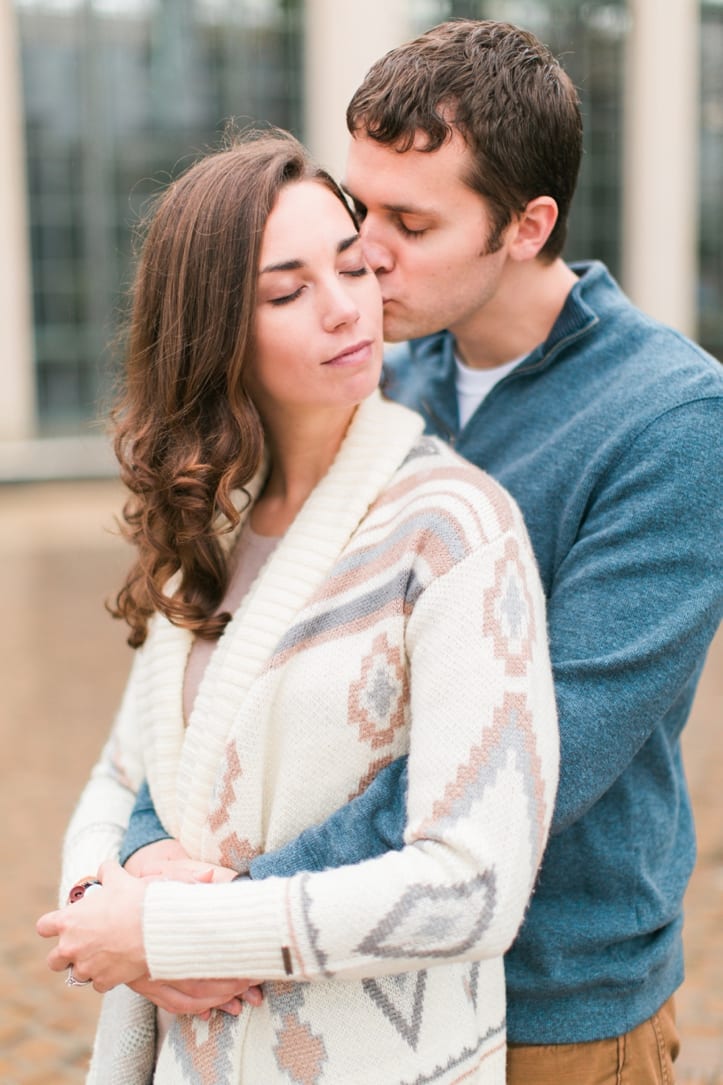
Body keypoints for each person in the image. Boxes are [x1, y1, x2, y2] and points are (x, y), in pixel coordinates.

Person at [98, 17, 723, 1084]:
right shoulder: (370, 374)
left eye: (410, 222)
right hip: (339, 996)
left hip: (551, 1002)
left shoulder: (672, 421)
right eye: (359, 203)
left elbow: (529, 764)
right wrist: (155, 846)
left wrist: (217, 920)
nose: (364, 251)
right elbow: (228, 653)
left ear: (526, 225)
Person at [36, 129, 559, 1084]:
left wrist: (178, 930)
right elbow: (121, 779)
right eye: (287, 291)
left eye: (353, 268)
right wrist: (94, 900)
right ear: (211, 328)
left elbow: (475, 881)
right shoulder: (209, 518)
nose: (344, 309)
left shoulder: (454, 529)